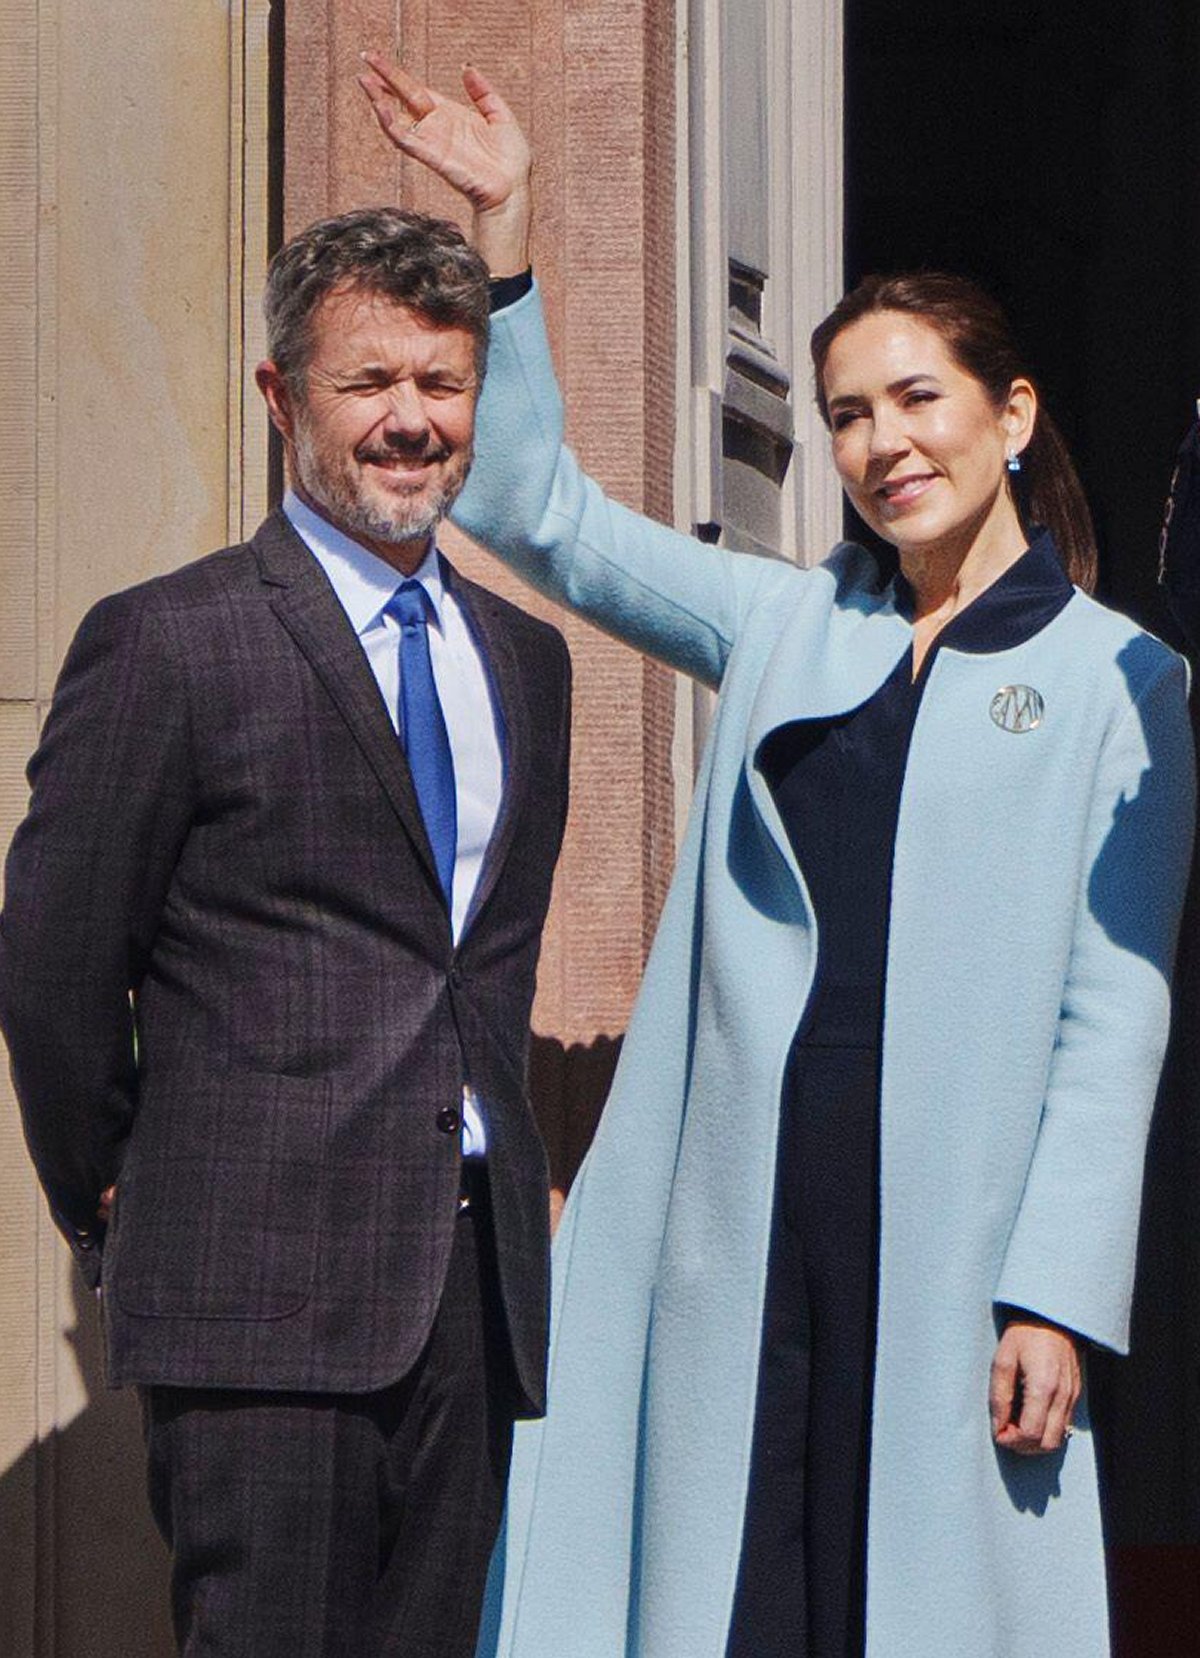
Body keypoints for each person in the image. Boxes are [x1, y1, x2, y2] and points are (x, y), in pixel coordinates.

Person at [358, 61, 1198, 1658]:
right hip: (743, 1198)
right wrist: (510, 234)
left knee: (913, 1597)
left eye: (917, 399)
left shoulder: (1125, 685)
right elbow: (540, 515)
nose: (882, 445)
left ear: (1011, 415)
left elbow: (1116, 1019)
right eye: (848, 418)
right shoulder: (787, 623)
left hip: (953, 1221)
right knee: (737, 1584)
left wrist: (1058, 1288)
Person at [0, 206, 572, 1658]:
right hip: (253, 1289)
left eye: (441, 386)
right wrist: (117, 1193)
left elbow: (475, 979)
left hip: (469, 1299)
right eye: (367, 382)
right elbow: (57, 969)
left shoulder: (528, 664)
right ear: (280, 397)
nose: (408, 422)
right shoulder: (169, 643)